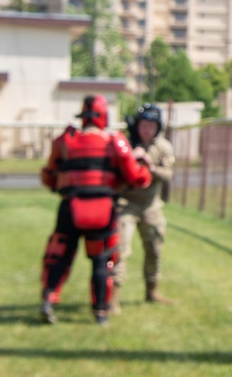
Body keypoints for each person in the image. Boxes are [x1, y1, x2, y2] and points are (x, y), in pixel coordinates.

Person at [38, 94, 151, 326]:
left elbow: (49, 175)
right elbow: (137, 177)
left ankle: (48, 298)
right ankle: (100, 312)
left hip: (70, 206)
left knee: (59, 254)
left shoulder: (65, 140)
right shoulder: (114, 141)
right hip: (102, 210)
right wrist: (144, 166)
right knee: (103, 260)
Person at [111, 103, 176, 312]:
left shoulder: (163, 147)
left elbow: (168, 175)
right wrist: (130, 159)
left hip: (151, 206)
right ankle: (113, 297)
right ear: (137, 125)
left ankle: (152, 291)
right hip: (126, 205)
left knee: (155, 249)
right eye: (144, 124)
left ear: (158, 127)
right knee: (120, 250)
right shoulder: (125, 144)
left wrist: (151, 166)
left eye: (152, 125)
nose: (147, 129)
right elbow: (113, 175)